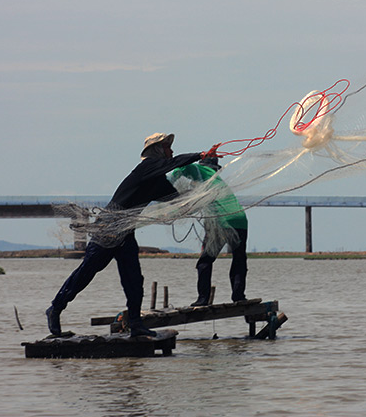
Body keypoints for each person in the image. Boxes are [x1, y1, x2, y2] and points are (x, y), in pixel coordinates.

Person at [46, 132, 217, 338]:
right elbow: (174, 163)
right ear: (157, 151)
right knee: (87, 272)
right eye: (167, 147)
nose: (171, 151)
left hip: (126, 231)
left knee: (134, 279)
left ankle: (136, 324)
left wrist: (202, 191)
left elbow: (175, 199)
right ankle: (55, 309)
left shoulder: (157, 180)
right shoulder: (146, 167)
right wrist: (200, 154)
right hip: (108, 228)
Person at [170, 156, 248, 306]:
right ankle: (239, 296)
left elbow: (182, 168)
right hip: (240, 220)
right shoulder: (217, 183)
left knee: (205, 261)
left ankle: (203, 299)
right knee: (239, 260)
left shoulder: (201, 171)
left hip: (222, 222)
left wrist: (168, 186)